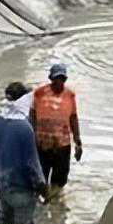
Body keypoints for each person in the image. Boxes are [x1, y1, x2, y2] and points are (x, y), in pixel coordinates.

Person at [0, 82, 48, 224]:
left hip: (3, 184)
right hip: (22, 190)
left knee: (3, 223)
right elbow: (32, 165)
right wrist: (43, 188)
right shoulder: (24, 128)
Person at [30, 63, 82, 198]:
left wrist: (78, 142)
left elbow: (73, 117)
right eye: (56, 79)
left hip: (62, 145)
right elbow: (32, 114)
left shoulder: (70, 95)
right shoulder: (39, 93)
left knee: (59, 180)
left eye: (62, 79)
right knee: (40, 178)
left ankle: (55, 203)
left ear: (65, 79)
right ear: (51, 78)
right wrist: (31, 136)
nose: (59, 82)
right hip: (42, 144)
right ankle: (42, 202)